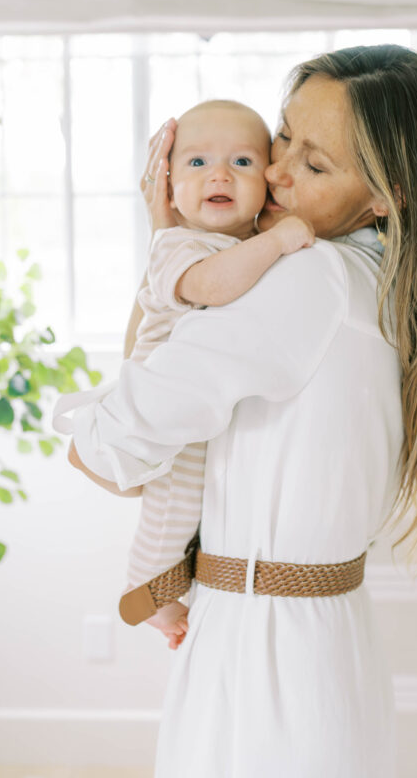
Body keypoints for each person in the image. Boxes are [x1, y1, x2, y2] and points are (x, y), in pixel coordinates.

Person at [53, 45, 417, 778]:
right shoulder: (382, 283)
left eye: (312, 162)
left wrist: (169, 252)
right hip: (323, 640)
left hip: (261, 653)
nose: (276, 175)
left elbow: (113, 448)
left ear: (385, 197)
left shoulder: (307, 280)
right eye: (282, 138)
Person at [55, 98, 315, 649]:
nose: (220, 173)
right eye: (197, 163)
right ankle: (147, 588)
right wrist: (276, 239)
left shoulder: (236, 242)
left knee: (195, 507)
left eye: (242, 162)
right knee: (175, 502)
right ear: (167, 187)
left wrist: (266, 233)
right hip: (159, 402)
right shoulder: (178, 245)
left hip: (190, 400)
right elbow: (213, 287)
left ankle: (167, 579)